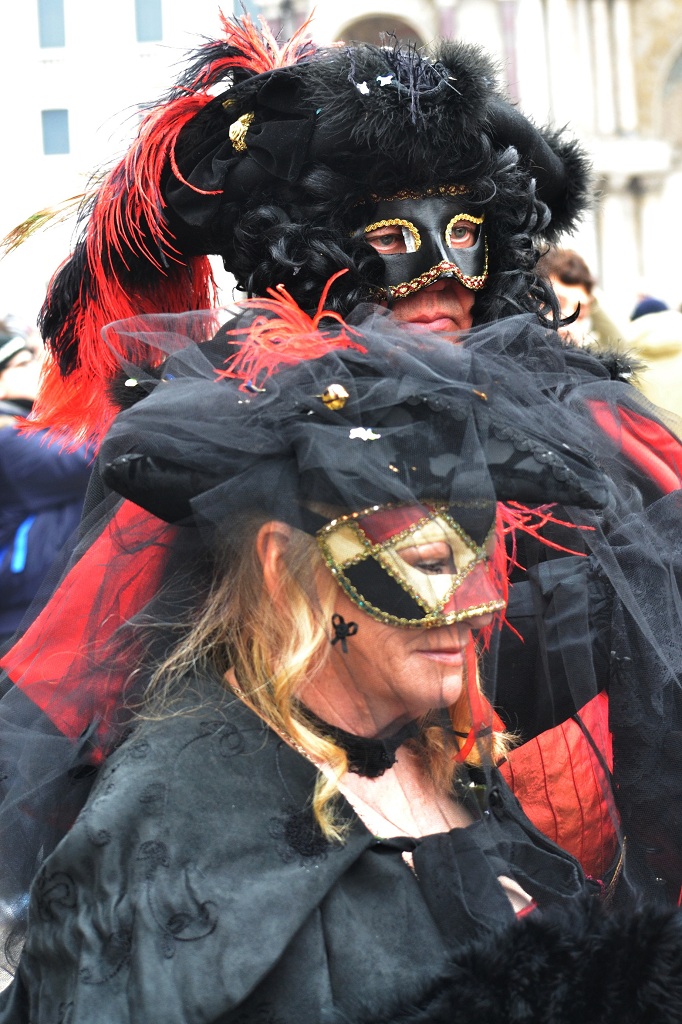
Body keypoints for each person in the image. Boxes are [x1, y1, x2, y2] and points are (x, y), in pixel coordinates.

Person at [3, 12, 682, 924]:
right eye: (398, 236)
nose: (442, 269)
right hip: (336, 870)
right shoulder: (235, 423)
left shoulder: (579, 412)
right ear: (317, 243)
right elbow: (91, 692)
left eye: (468, 231)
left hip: (591, 872)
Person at [1, 308, 681, 1022]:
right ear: (280, 568)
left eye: (480, 563)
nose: (479, 608)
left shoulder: (437, 748)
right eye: (423, 564)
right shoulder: (171, 827)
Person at [0, 326, 90, 646]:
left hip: (36, 611)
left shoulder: (26, 429)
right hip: (20, 621)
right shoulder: (8, 440)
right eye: (24, 362)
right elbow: (91, 458)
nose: (40, 367)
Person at [535, 247, 624, 349]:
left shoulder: (585, 352)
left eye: (580, 314)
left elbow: (620, 349)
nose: (568, 327)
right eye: (555, 306)